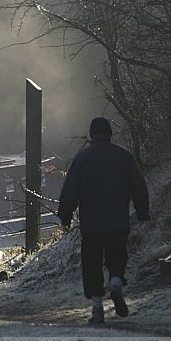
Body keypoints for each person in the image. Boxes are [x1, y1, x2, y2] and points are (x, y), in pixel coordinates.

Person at [58, 117, 150, 325]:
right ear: (110, 133)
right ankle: (116, 282)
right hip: (117, 221)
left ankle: (97, 308)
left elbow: (70, 189)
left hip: (91, 225)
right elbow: (138, 186)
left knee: (91, 265)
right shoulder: (123, 156)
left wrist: (65, 215)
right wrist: (143, 212)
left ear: (92, 135)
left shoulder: (82, 159)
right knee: (117, 257)